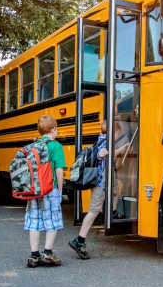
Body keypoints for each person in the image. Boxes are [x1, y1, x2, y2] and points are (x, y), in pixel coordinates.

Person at [69, 120, 128, 260]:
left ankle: (112, 212)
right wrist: (119, 150)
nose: (119, 134)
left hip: (105, 180)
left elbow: (108, 154)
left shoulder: (102, 140)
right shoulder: (105, 142)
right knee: (93, 211)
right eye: (118, 131)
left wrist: (120, 150)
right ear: (113, 131)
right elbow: (105, 155)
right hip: (100, 182)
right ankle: (79, 240)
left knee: (116, 188)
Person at [25, 115, 66, 268]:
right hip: (50, 188)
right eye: (57, 128)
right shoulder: (56, 146)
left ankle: (34, 256)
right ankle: (48, 253)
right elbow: (59, 170)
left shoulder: (33, 145)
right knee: (52, 220)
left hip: (34, 189)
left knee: (34, 221)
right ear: (53, 129)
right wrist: (60, 189)